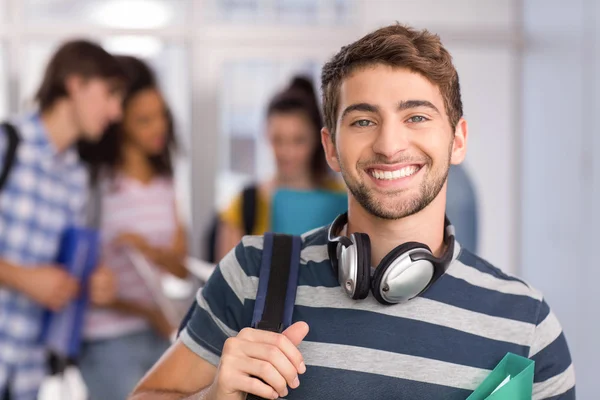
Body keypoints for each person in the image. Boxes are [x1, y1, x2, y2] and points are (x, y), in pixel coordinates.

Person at [129, 24, 575, 400]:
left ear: (457, 140)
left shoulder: (527, 325)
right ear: (331, 147)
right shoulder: (255, 273)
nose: (388, 144)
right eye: (363, 120)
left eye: (416, 116)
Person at [0, 40, 124, 400]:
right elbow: (32, 277)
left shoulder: (77, 178)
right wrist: (22, 277)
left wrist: (92, 281)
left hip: (27, 376)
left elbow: (62, 269)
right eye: (110, 94)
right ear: (76, 83)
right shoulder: (8, 145)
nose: (115, 112)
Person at [77, 55, 189, 400]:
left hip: (163, 335)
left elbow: (182, 267)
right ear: (118, 121)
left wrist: (151, 252)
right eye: (145, 120)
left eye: (162, 116)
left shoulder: (165, 182)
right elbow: (83, 278)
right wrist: (146, 311)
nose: (159, 128)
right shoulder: (96, 184)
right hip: (107, 339)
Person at [213, 76, 343, 262]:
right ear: (266, 135)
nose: (287, 152)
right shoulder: (244, 204)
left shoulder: (343, 202)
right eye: (278, 140)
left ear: (318, 139)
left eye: (298, 140)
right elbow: (226, 283)